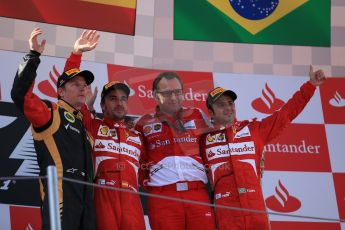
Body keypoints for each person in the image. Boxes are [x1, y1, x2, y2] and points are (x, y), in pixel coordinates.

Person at [200, 66, 326, 230]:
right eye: (221, 105)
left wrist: (310, 86)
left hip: (255, 209)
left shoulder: (253, 130)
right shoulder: (203, 140)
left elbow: (286, 114)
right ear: (210, 111)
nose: (228, 108)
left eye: (230, 103)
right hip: (226, 213)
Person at [11, 28, 96, 229]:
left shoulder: (83, 121)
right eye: (75, 84)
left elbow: (69, 82)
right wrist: (33, 56)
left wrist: (76, 54)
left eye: (84, 84)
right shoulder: (50, 113)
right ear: (60, 92)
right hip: (61, 202)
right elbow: (20, 94)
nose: (82, 88)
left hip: (87, 205)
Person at [64, 30, 146, 230]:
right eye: (112, 98)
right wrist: (76, 55)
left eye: (123, 99)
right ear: (102, 105)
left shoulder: (137, 135)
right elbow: (69, 89)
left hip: (132, 199)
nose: (119, 103)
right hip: (102, 194)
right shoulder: (92, 125)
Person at [135, 72, 216, 230]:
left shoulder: (197, 115)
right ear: (155, 96)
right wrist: (151, 185)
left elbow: (212, 146)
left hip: (197, 193)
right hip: (163, 197)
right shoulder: (144, 123)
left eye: (177, 92)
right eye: (167, 93)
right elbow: (137, 160)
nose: (173, 97)